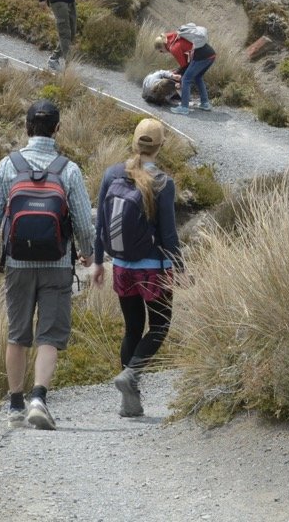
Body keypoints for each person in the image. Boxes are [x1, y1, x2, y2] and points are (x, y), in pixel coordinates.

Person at [0, 99, 96, 431]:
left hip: (17, 264)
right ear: (57, 129)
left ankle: (15, 407)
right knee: (49, 335)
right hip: (57, 264)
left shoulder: (7, 167)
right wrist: (89, 254)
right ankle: (39, 399)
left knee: (17, 334)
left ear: (27, 128)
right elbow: (84, 223)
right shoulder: (68, 169)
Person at [92, 118, 182, 418]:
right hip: (153, 270)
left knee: (132, 328)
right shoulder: (163, 182)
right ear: (160, 146)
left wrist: (97, 261)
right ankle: (131, 376)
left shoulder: (112, 173)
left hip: (121, 266)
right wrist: (179, 269)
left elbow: (100, 224)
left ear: (134, 142)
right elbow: (169, 235)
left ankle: (128, 402)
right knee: (159, 327)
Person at [166, 23, 216, 115]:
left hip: (202, 57)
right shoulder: (184, 38)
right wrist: (178, 70)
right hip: (211, 54)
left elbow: (185, 66)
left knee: (186, 79)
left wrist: (177, 74)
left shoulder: (175, 46)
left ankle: (184, 107)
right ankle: (205, 104)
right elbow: (187, 64)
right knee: (198, 77)